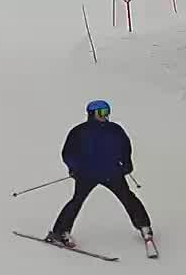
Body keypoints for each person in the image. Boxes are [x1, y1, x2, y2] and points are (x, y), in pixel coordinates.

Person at [45, 100, 152, 249]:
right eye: (101, 112)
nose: (105, 115)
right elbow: (68, 153)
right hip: (87, 174)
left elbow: (125, 148)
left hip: (112, 173)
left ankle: (144, 226)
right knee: (76, 201)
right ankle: (59, 232)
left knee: (128, 198)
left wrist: (126, 164)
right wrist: (75, 167)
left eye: (107, 111)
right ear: (92, 114)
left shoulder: (115, 129)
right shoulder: (79, 131)